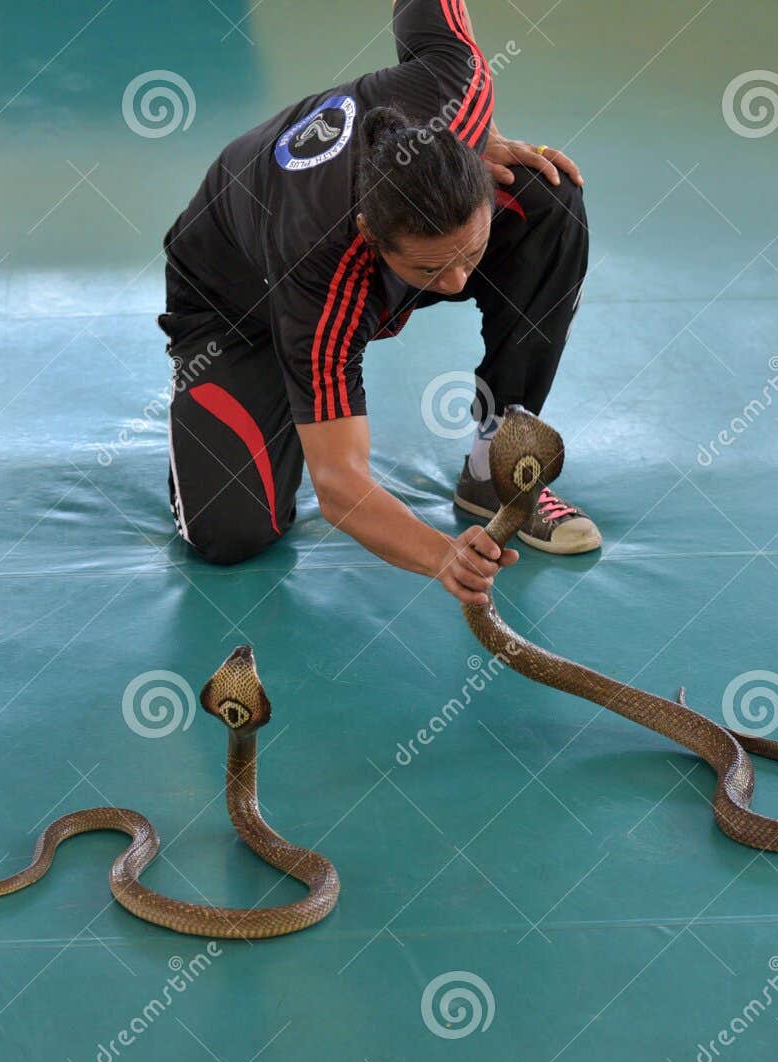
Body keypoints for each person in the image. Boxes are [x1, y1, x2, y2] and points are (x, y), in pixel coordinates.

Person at [161, 0, 593, 607]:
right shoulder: (324, 275)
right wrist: (442, 556)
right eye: (430, 269)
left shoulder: (458, 86)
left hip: (386, 234)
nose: (455, 283)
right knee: (232, 533)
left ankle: (493, 461)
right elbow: (339, 485)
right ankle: (273, 394)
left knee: (547, 199)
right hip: (239, 309)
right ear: (369, 235)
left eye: (471, 252)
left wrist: (483, 142)